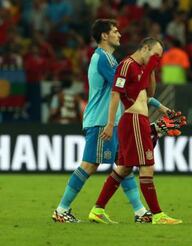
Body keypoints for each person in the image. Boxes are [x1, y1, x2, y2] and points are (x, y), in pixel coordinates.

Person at [51, 19, 175, 224]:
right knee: (90, 165)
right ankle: (61, 210)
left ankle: (139, 211)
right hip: (102, 120)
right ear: (104, 36)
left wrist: (158, 105)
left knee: (123, 165)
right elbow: (127, 89)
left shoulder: (107, 59)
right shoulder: (104, 60)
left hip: (111, 120)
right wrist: (154, 104)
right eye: (115, 32)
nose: (119, 35)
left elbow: (131, 89)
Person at [88, 37, 184, 225]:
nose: (157, 59)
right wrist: (109, 124)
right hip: (132, 120)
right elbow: (116, 93)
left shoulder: (141, 68)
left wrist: (152, 70)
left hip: (139, 120)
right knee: (147, 166)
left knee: (124, 168)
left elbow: (149, 94)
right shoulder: (126, 65)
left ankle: (97, 210)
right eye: (155, 55)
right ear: (145, 48)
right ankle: (158, 215)